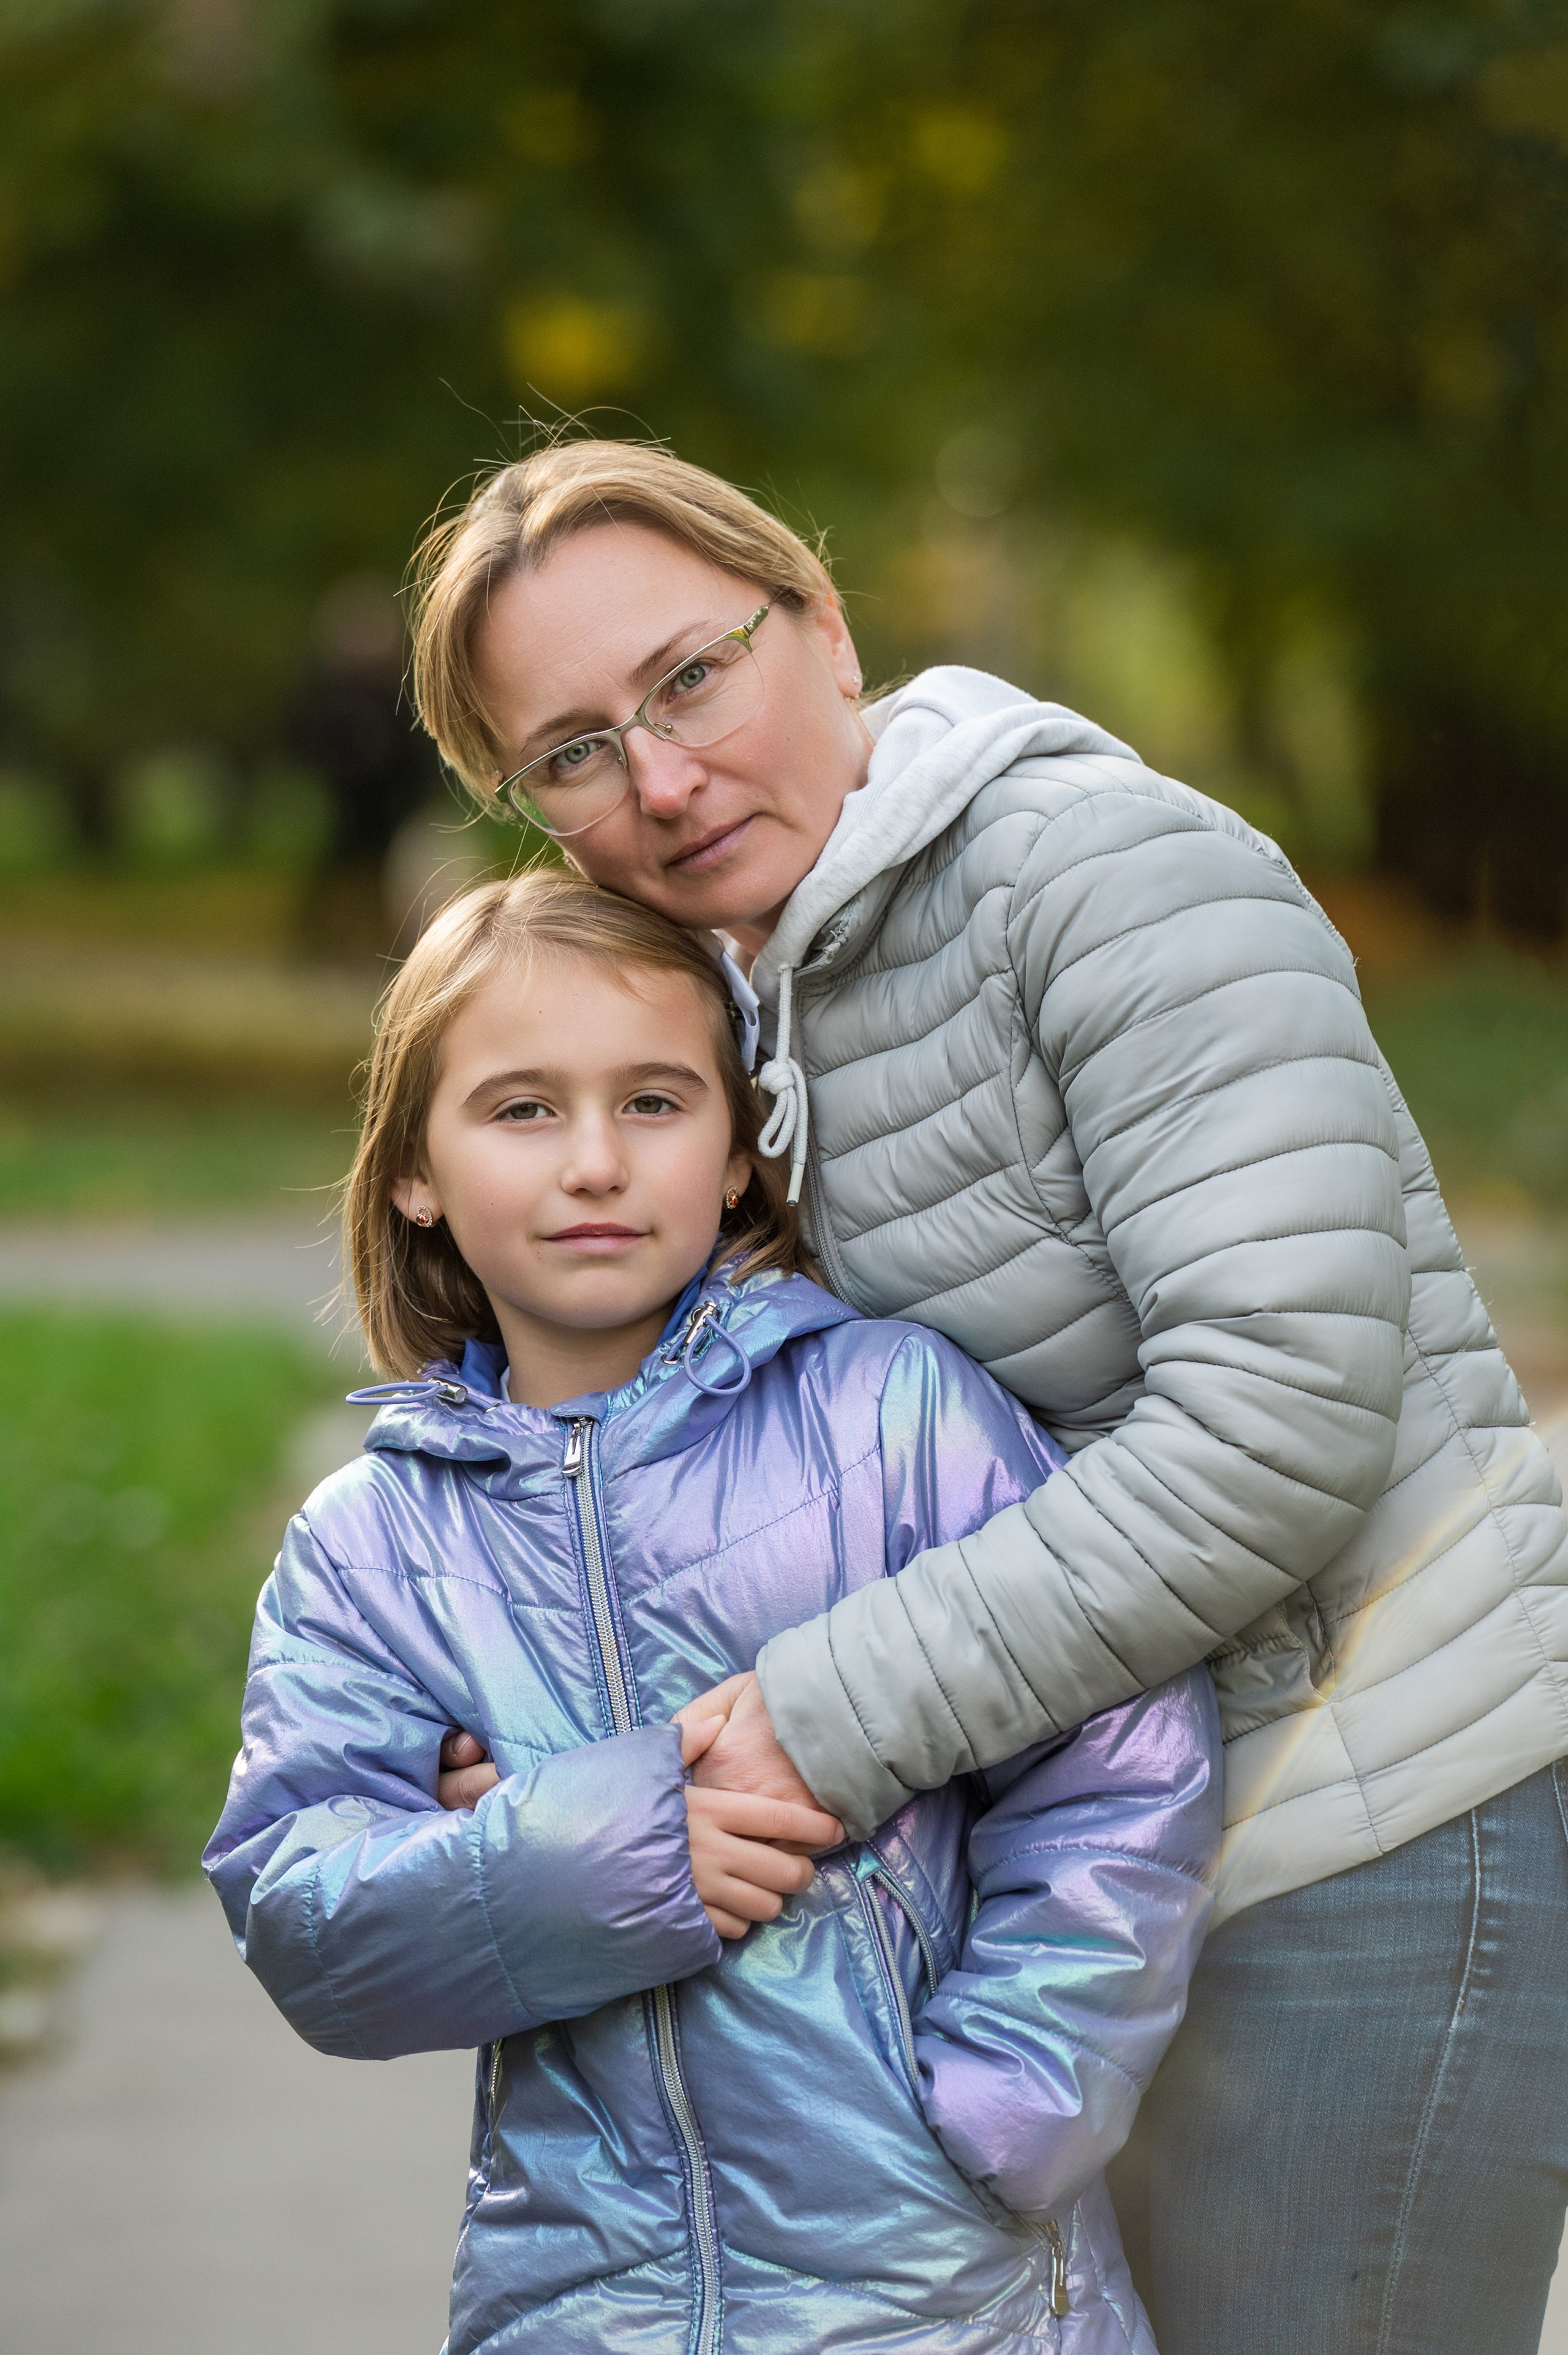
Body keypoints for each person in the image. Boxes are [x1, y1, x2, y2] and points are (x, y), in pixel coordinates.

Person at [409, 440, 1568, 2355]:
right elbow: (805, 1483)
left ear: (827, 628)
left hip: (1363, 1823)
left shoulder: (1108, 874)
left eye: (691, 678)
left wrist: (806, 1725)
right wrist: (565, 1745)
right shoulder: (729, 1011)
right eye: (575, 753)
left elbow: (1277, 1413)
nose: (664, 778)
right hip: (1091, 1889)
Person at [203, 871, 1221, 2355]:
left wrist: (1013, 2098)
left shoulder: (896, 1414)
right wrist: (593, 1849)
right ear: (414, 1166)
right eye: (522, 1109)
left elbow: (1120, 1750)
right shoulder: (369, 1548)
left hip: (945, 2292)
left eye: (657, 1101)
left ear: (741, 1151)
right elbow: (304, 1915)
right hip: (573, 2304)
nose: (596, 1162)